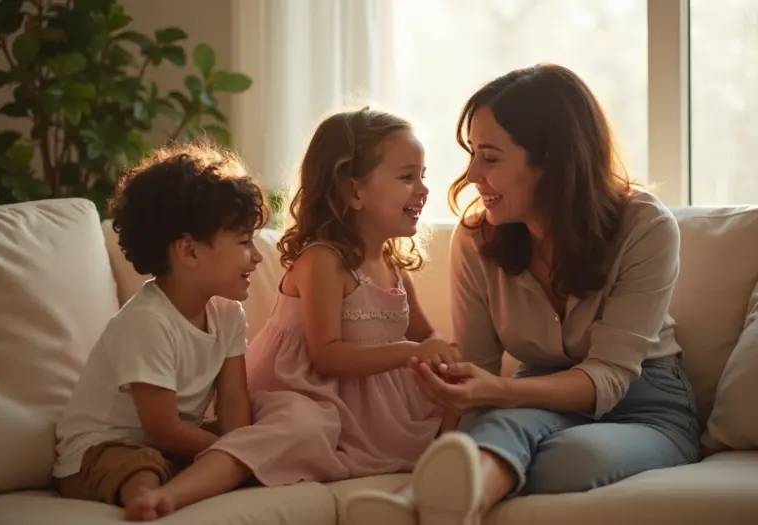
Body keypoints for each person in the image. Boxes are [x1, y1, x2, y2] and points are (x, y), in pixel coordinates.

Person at [345, 64, 700, 525]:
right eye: (472, 154)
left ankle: (436, 507)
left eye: (490, 157)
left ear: (552, 160)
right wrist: (461, 404)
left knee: (567, 456)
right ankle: (418, 508)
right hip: (532, 397)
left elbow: (610, 377)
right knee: (496, 429)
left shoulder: (645, 226)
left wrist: (498, 393)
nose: (471, 173)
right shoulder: (476, 240)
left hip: (645, 403)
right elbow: (480, 373)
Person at [124, 107, 462, 520]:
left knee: (471, 399)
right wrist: (410, 352)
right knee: (299, 428)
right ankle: (171, 497)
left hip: (372, 403)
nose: (423, 188)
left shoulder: (392, 265)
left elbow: (426, 337)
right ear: (354, 192)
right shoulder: (324, 261)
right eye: (407, 177)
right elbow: (327, 356)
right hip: (307, 393)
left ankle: (430, 489)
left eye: (423, 175)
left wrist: (449, 356)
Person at [52, 140, 267, 520]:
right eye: (244, 242)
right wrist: (233, 450)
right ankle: (150, 501)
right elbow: (163, 429)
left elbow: (234, 400)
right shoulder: (147, 322)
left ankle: (196, 479)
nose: (258, 256)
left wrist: (240, 444)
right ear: (190, 252)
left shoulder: (229, 315)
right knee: (143, 467)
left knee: (272, 417)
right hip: (100, 451)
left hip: (172, 444)